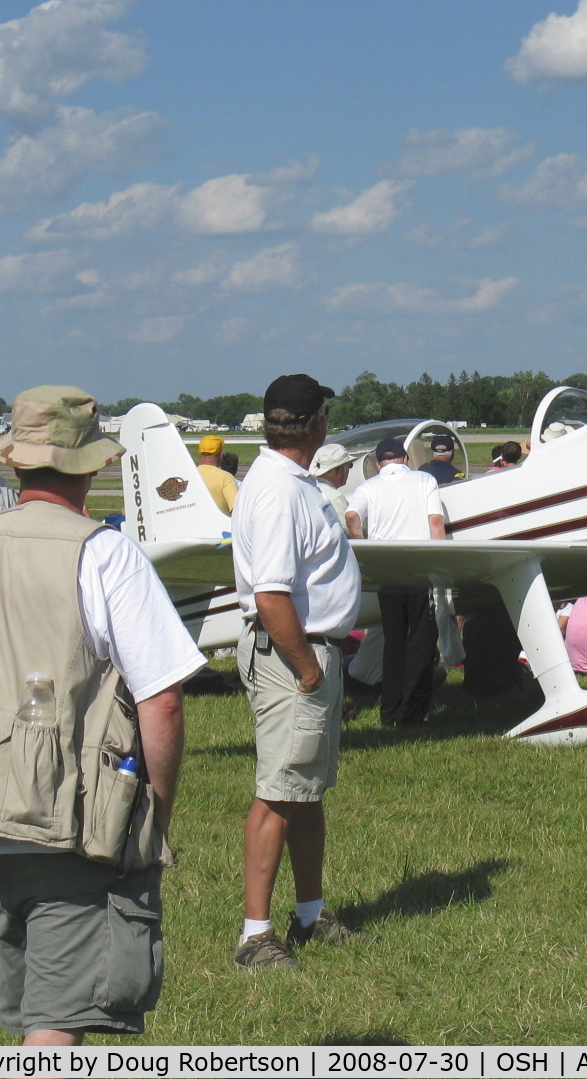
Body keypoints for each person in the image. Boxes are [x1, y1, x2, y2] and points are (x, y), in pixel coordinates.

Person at [0, 385, 199, 1043]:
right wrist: (153, 813)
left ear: (14, 461)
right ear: (91, 466)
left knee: (29, 1011)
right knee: (57, 1028)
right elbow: (161, 699)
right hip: (66, 823)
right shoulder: (103, 551)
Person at [233, 374, 364, 968]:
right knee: (278, 795)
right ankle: (255, 936)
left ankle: (310, 913)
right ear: (317, 423)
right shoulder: (281, 491)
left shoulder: (288, 482)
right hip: (295, 654)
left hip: (307, 651)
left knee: (304, 792)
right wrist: (308, 669)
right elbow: (272, 594)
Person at [346, 436, 446, 728]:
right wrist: (441, 563)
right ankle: (412, 711)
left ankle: (390, 710)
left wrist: (363, 545)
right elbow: (435, 522)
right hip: (417, 566)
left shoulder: (369, 487)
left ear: (378, 465)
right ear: (405, 459)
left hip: (386, 568)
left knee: (393, 640)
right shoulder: (424, 480)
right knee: (421, 640)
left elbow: (352, 515)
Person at [309, 443, 354, 521]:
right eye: (349, 465)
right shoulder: (335, 497)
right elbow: (348, 528)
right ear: (340, 470)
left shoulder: (311, 488)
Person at [197, 434, 239, 516]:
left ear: (199, 454)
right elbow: (236, 510)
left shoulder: (190, 476)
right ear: (221, 455)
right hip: (219, 527)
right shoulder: (226, 478)